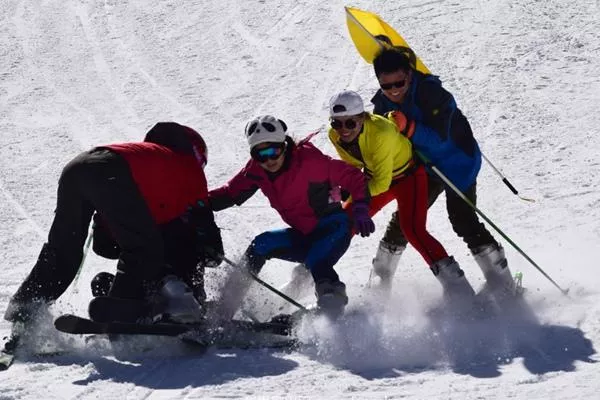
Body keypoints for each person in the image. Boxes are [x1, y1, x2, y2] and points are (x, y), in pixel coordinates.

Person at [3, 122, 223, 336]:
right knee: (145, 249)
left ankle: (25, 310)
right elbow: (204, 232)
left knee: (63, 253)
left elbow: (104, 245)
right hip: (112, 172)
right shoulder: (187, 167)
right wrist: (198, 287)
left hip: (77, 169)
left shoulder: (148, 165)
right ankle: (124, 309)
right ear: (197, 155)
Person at [369, 47, 514, 295]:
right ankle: (379, 286)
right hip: (423, 168)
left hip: (456, 163)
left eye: (399, 83)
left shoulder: (433, 94)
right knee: (405, 222)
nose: (394, 90)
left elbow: (440, 138)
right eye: (387, 86)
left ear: (409, 74)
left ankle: (503, 284)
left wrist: (409, 128)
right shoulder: (381, 105)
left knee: (463, 221)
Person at [208, 115, 374, 318]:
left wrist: (360, 209)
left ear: (284, 145)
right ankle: (224, 311)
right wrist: (194, 204)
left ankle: (332, 310)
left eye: (273, 151)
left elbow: (354, 176)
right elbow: (229, 194)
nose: (269, 160)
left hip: (333, 229)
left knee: (317, 258)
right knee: (262, 244)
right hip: (304, 234)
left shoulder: (309, 162)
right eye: (260, 155)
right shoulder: (256, 170)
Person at [327, 90, 476, 302]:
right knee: (341, 223)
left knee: (413, 230)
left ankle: (459, 290)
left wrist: (354, 192)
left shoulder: (381, 133)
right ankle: (312, 280)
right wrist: (343, 188)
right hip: (375, 177)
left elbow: (381, 183)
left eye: (350, 123)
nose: (343, 130)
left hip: (408, 177)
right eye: (337, 123)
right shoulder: (334, 135)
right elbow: (352, 165)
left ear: (362, 117)